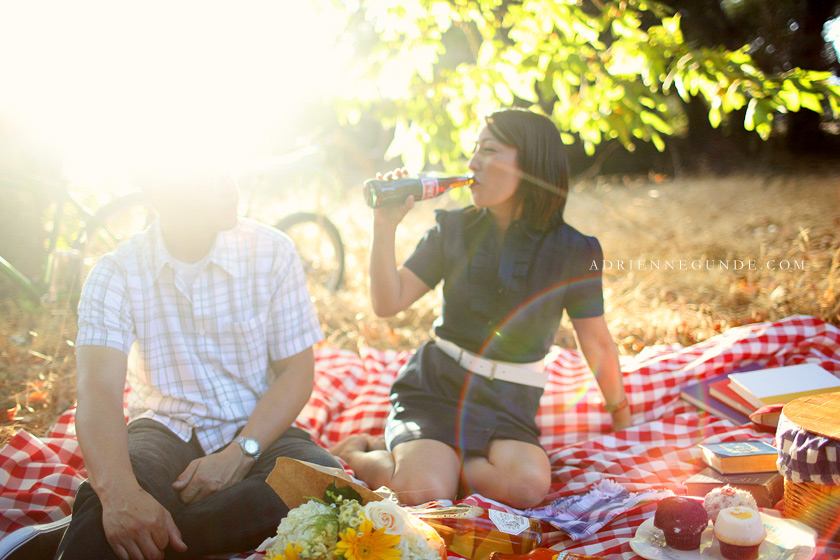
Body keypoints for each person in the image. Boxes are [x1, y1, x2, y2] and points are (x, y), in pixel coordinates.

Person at [332, 108, 630, 509]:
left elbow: (596, 341)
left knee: (526, 487)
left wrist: (621, 415)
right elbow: (388, 303)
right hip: (436, 384)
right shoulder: (451, 229)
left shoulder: (576, 250)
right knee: (422, 492)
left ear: (531, 164)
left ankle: (444, 460)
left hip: (508, 397)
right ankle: (358, 451)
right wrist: (384, 227)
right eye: (474, 150)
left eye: (488, 150)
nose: (472, 162)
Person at [48, 162, 342, 560]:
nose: (228, 186)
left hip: (256, 426)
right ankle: (121, 528)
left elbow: (296, 372)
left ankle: (152, 535)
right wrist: (121, 497)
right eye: (208, 174)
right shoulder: (115, 273)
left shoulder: (272, 251)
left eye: (228, 168)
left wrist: (240, 453)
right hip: (163, 428)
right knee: (111, 503)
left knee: (327, 490)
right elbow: (97, 394)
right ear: (160, 191)